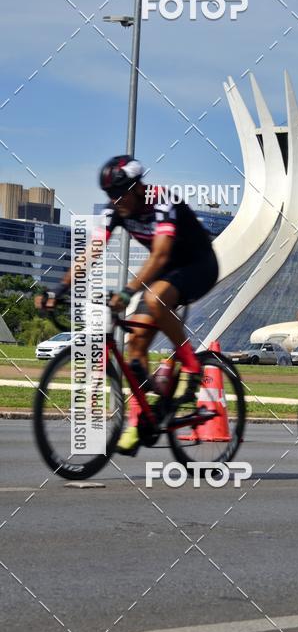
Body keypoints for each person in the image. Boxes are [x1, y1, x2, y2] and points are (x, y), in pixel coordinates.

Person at [37, 155, 219, 456]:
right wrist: (60, 289)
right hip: (165, 273)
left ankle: (191, 365)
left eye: (120, 193)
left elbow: (160, 255)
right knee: (136, 344)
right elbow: (92, 250)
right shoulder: (116, 209)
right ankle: (142, 419)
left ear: (138, 188)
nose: (115, 200)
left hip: (198, 266)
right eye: (110, 194)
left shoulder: (161, 200)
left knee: (152, 298)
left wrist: (127, 291)